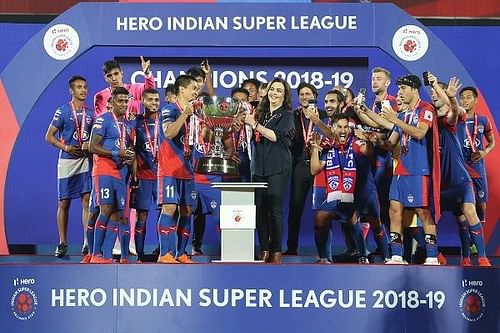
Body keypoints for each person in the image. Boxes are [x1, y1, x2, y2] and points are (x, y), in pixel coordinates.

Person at [377, 74, 441, 265]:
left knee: (423, 212)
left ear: (414, 89)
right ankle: (396, 255)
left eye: (403, 89)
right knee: (394, 210)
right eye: (398, 90)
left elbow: (420, 133)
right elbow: (391, 143)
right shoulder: (402, 115)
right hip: (400, 170)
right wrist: (373, 138)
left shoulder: (426, 109)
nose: (399, 93)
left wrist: (395, 120)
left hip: (418, 170)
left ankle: (432, 256)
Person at [244, 77, 294, 264]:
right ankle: (264, 247)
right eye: (272, 89)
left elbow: (274, 136)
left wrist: (255, 125)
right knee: (259, 209)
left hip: (278, 166)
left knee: (274, 209)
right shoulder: (260, 112)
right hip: (258, 165)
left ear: (284, 95)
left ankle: (276, 250)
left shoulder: (287, 115)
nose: (274, 93)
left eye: (279, 90)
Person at [309, 114, 372, 264]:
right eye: (339, 127)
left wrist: (368, 140)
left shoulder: (355, 144)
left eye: (346, 127)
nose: (343, 130)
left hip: (354, 194)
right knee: (320, 218)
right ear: (333, 128)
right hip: (334, 195)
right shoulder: (328, 147)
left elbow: (368, 152)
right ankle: (324, 257)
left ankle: (363, 254)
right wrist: (315, 149)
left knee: (352, 219)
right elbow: (314, 169)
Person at [45, 75, 94, 258]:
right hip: (66, 160)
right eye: (79, 87)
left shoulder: (91, 114)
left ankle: (87, 242)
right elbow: (49, 136)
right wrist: (66, 147)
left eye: (85, 87)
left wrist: (89, 147)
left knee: (86, 199)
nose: (83, 90)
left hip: (84, 160)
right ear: (71, 90)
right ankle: (63, 242)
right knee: (64, 202)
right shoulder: (63, 111)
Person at [88, 87, 135, 264]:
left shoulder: (127, 125)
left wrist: (128, 159)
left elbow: (127, 149)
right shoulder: (104, 120)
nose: (123, 104)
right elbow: (92, 146)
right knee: (105, 210)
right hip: (104, 170)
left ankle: (105, 256)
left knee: (117, 215)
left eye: (126, 101)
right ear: (112, 101)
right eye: (120, 101)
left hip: (120, 174)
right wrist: (117, 154)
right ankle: (95, 254)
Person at [156, 74, 198, 264]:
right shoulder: (169, 109)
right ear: (182, 89)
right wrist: (185, 115)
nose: (196, 92)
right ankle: (165, 253)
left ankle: (181, 252)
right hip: (169, 169)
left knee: (187, 210)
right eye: (193, 88)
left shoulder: (193, 113)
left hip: (187, 168)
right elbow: (169, 132)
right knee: (170, 207)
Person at [457, 86, 495, 237]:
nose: (465, 100)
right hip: (461, 167)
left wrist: (484, 151)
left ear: (475, 100)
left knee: (481, 204)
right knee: (464, 205)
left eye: (468, 97)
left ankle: (479, 233)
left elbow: (492, 142)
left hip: (477, 167)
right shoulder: (456, 119)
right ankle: (469, 241)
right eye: (463, 97)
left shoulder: (483, 120)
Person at [130, 89, 161, 262]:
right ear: (143, 102)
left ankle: (163, 251)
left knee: (165, 214)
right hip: (143, 176)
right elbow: (132, 150)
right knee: (142, 216)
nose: (154, 102)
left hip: (162, 177)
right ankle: (140, 255)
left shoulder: (164, 121)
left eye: (157, 99)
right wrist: (134, 177)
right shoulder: (136, 122)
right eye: (150, 99)